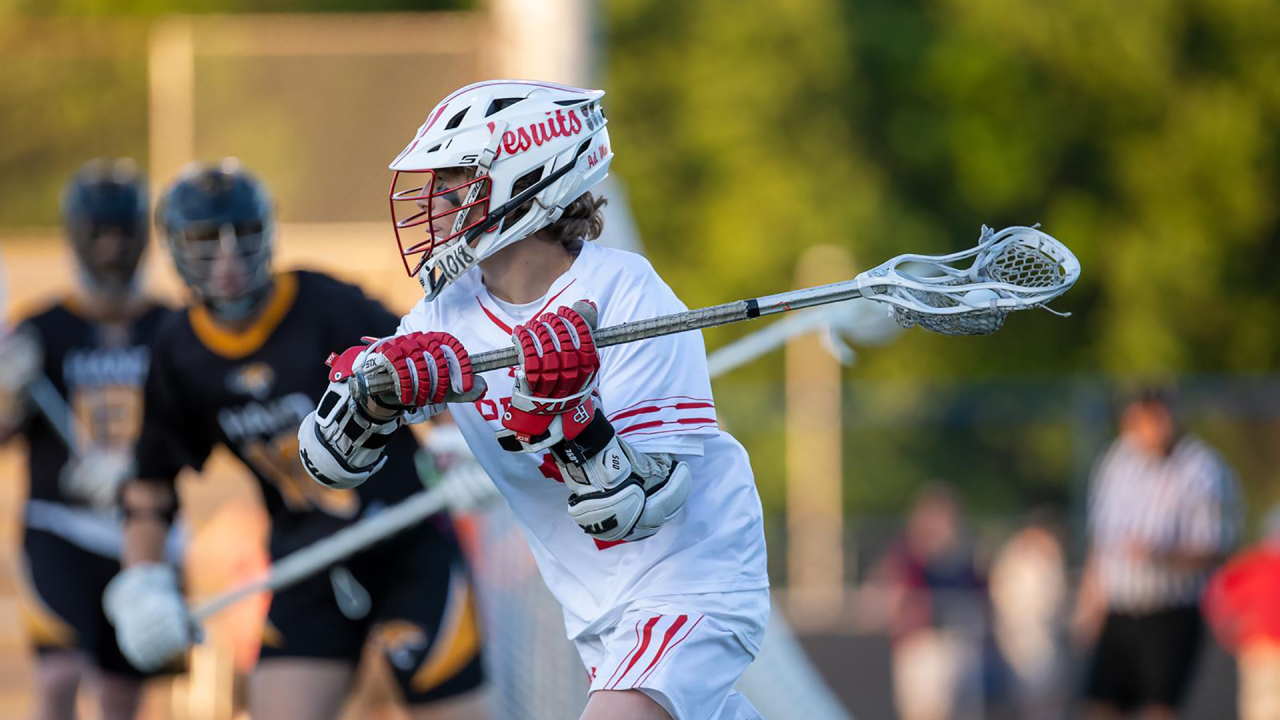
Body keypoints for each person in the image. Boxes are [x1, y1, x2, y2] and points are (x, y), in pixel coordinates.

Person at [296, 80, 770, 720]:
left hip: (689, 579)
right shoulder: (446, 311)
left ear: (526, 180)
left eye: (457, 182)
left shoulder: (626, 294)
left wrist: (568, 412)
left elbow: (644, 506)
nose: (437, 200)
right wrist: (372, 396)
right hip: (594, 605)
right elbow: (328, 463)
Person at [100, 160, 487, 720]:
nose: (229, 259)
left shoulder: (327, 305)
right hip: (307, 563)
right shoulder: (178, 351)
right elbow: (149, 486)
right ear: (176, 247)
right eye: (208, 240)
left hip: (406, 541)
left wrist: (459, 449)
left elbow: (430, 366)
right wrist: (142, 581)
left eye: (243, 235)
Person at [0, 159, 173, 720]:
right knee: (59, 674)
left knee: (122, 694)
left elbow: (203, 424)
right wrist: (6, 394)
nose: (108, 248)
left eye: (120, 232)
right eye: (96, 233)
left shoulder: (171, 328)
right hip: (60, 526)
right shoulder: (40, 330)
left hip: (142, 527)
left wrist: (135, 468)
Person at [1074, 386, 1241, 720]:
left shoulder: (1201, 468)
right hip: (1120, 609)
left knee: (1159, 708)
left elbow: (1215, 549)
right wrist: (1090, 599)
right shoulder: (1118, 461)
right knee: (1100, 705)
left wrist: (1160, 555)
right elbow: (1101, 540)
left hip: (1170, 610)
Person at [1202, 506, 1280, 720]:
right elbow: (1221, 597)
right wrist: (1228, 632)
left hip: (1258, 645)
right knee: (1264, 707)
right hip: (1261, 646)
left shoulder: (1249, 563)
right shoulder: (1252, 564)